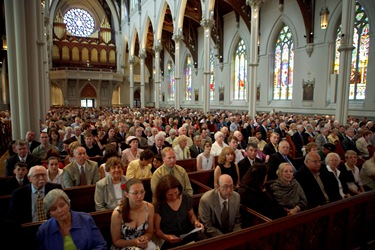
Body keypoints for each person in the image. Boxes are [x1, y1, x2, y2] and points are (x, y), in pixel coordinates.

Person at [37, 189, 107, 250]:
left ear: (68, 204)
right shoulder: (44, 230)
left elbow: (101, 245)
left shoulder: (86, 219)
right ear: (50, 213)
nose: (59, 210)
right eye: (54, 209)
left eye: (62, 205)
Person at [154, 175, 204, 249]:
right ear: (163, 194)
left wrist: (196, 222)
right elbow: (157, 229)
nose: (174, 197)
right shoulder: (159, 204)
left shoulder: (185, 197)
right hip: (169, 239)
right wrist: (166, 237)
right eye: (170, 195)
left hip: (187, 234)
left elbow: (191, 215)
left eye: (176, 193)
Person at [110, 178, 157, 250]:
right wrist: (134, 242)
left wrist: (144, 238)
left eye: (142, 192)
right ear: (126, 194)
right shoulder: (118, 213)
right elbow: (116, 241)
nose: (140, 196)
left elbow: (150, 232)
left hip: (141, 244)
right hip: (123, 246)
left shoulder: (149, 208)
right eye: (135, 193)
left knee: (153, 247)